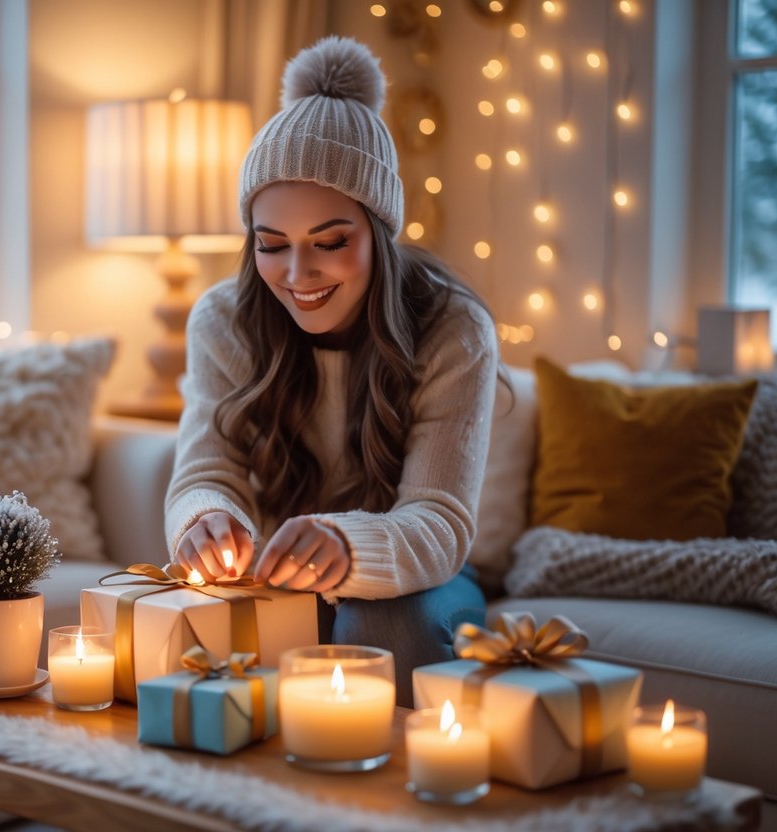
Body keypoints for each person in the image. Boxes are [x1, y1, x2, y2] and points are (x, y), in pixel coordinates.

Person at [163, 35, 500, 707]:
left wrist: (347, 549)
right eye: (271, 245)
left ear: (378, 230)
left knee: (378, 619)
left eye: (329, 242)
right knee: (218, 615)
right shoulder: (222, 320)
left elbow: (436, 522)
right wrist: (206, 518)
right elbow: (204, 473)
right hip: (276, 579)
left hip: (421, 582)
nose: (297, 275)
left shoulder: (453, 328)